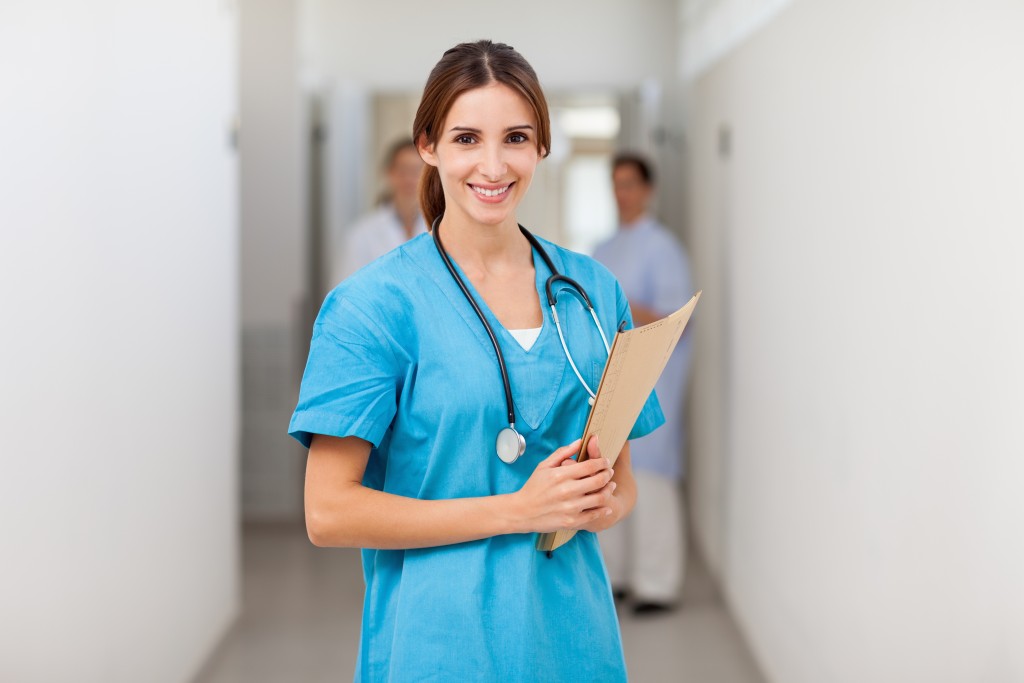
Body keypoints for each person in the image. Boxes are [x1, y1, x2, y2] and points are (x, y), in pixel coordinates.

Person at [288, 41, 664, 682]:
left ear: (542, 146)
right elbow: (329, 513)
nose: (493, 165)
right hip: (439, 645)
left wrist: (602, 506)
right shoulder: (372, 306)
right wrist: (521, 510)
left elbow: (622, 483)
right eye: (467, 138)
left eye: (516, 137)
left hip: (574, 641)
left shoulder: (592, 292)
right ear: (428, 146)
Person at [594, 153, 694, 615]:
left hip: (656, 374)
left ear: (648, 189)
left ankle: (656, 582)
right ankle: (617, 575)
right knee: (610, 470)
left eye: (630, 184)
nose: (622, 193)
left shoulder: (663, 247)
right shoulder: (605, 247)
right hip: (612, 374)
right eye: (615, 184)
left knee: (651, 475)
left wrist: (628, 308)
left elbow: (676, 317)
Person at [339, 138, 427, 280]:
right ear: (389, 173)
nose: (409, 178)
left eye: (416, 170)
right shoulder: (362, 233)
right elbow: (345, 293)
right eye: (403, 170)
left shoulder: (441, 229)